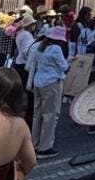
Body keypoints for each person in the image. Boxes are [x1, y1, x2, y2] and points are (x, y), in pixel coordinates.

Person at [28, 25, 69, 158]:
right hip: (51, 82)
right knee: (50, 115)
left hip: (38, 81)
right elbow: (64, 66)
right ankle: (45, 147)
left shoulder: (40, 47)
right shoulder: (56, 48)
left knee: (37, 114)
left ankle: (34, 143)